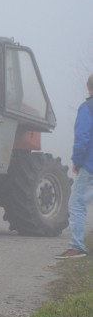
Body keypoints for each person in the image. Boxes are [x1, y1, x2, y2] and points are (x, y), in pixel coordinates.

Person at [56, 74, 93, 259]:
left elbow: (83, 138)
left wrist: (77, 161)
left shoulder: (87, 108)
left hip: (90, 165)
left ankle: (77, 246)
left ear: (89, 88)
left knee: (77, 205)